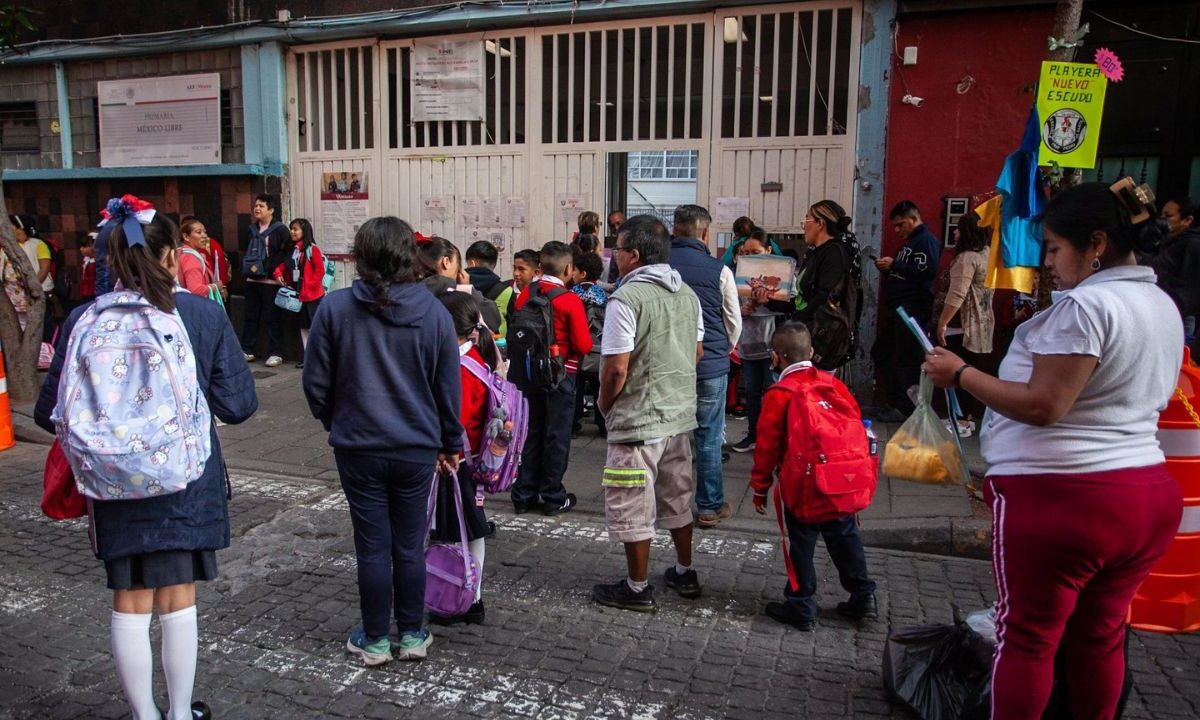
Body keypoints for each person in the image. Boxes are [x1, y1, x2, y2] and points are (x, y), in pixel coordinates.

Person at [922, 181, 1183, 720]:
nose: (1048, 263)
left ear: (1096, 244)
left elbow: (1044, 405)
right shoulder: (1159, 302)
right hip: (1143, 492)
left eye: (1054, 248)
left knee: (1029, 640)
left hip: (1066, 497)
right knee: (1100, 636)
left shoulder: (1086, 307)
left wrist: (962, 373)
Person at [34, 201, 257, 720]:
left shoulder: (82, 319)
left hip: (111, 481)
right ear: (168, 255)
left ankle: (144, 715)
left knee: (129, 600)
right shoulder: (200, 314)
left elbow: (51, 413)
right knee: (178, 597)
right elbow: (239, 405)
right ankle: (181, 712)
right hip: (185, 479)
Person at [303, 216, 462, 665]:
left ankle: (374, 639)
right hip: (416, 447)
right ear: (410, 256)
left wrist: (337, 419)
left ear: (360, 256)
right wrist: (451, 442)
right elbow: (446, 387)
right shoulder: (433, 312)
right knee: (411, 544)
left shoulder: (334, 309)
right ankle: (412, 635)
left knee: (372, 544)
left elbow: (315, 383)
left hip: (358, 446)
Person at [593, 215, 704, 612]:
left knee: (632, 500)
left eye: (617, 250)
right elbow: (696, 352)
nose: (614, 257)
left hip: (638, 419)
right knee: (678, 495)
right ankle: (684, 571)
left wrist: (606, 405)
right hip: (678, 415)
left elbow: (616, 367)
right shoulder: (687, 295)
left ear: (633, 255)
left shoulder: (627, 299)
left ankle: (637, 588)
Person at [750, 323, 876, 631]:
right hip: (841, 481)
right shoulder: (833, 385)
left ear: (775, 358)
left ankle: (801, 604)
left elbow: (766, 447)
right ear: (811, 353)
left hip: (804, 485)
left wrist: (760, 487)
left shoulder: (780, 394)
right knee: (846, 538)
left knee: (802, 544)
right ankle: (862, 597)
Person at [668, 204, 742, 527]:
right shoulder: (719, 270)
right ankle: (709, 506)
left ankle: (667, 504)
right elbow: (734, 321)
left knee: (669, 435)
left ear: (674, 229)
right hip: (710, 364)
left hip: (668, 363)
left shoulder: (659, 266)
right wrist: (723, 351)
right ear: (705, 233)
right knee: (709, 437)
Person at [429, 290, 498, 626]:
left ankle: (458, 597)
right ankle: (473, 596)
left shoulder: (456, 369)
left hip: (453, 462)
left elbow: (453, 420)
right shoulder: (480, 360)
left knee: (452, 532)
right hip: (473, 461)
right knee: (473, 530)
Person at [510, 241, 593, 515]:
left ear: (540, 265)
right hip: (561, 376)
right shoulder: (569, 300)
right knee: (556, 437)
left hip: (528, 375)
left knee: (531, 433)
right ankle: (553, 496)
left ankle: (523, 494)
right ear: (568, 268)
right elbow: (583, 345)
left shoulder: (524, 295)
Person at [872, 200, 941, 419]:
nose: (898, 230)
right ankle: (896, 403)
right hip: (898, 311)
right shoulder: (910, 244)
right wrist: (888, 269)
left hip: (913, 312)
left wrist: (895, 265)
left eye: (901, 224)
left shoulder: (926, 241)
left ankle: (908, 409)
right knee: (882, 354)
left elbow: (928, 272)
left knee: (907, 361)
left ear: (914, 219)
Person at [729, 230, 791, 455]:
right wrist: (741, 310)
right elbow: (730, 306)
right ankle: (753, 435)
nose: (750, 257)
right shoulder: (736, 276)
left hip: (773, 342)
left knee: (774, 392)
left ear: (768, 251)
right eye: (745, 253)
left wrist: (768, 303)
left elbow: (790, 306)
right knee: (752, 392)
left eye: (755, 252)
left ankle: (776, 438)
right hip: (748, 341)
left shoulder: (784, 276)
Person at [932, 212, 994, 423]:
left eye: (959, 228)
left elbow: (957, 293)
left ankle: (960, 419)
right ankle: (964, 417)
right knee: (969, 370)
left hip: (960, 324)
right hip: (979, 323)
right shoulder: (987, 253)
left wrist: (943, 322)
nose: (955, 233)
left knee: (957, 372)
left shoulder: (967, 258)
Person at [794, 200, 860, 371]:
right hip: (806, 331)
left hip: (821, 338)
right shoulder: (816, 252)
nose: (803, 226)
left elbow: (826, 294)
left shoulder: (833, 253)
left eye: (807, 220)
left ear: (820, 224)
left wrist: (799, 316)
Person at [239, 193, 291, 367]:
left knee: (272, 317)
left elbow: (287, 253)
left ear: (271, 210)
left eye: (261, 206)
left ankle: (275, 352)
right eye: (256, 206)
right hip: (252, 280)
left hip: (271, 282)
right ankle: (247, 349)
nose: (257, 209)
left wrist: (276, 269)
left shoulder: (281, 230)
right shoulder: (251, 229)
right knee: (250, 316)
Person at [415, 236, 502, 333]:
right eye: (458, 263)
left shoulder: (411, 289)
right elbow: (493, 320)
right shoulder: (452, 290)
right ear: (446, 262)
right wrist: (466, 289)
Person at [272, 218, 327, 368]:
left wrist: (309, 287)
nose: (292, 232)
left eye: (295, 229)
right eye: (291, 229)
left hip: (312, 297)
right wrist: (278, 273)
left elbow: (319, 271)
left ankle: (318, 357)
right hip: (299, 296)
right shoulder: (295, 250)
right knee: (303, 326)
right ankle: (307, 356)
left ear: (304, 231)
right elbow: (285, 265)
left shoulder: (312, 249)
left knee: (314, 326)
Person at [1148, 196, 1200, 343]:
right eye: (1162, 214)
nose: (1162, 219)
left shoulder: (1191, 246)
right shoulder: (1167, 241)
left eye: (1169, 216)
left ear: (1187, 220)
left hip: (1178, 315)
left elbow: (1189, 289)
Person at [570, 250, 608, 437]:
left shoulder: (572, 294)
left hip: (577, 350)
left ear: (583, 273)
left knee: (576, 390)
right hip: (600, 349)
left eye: (575, 270)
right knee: (599, 388)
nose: (572, 274)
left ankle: (574, 425)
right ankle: (602, 425)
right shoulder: (604, 296)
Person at [9, 214, 56, 339]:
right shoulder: (9, 247)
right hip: (16, 296)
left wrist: (32, 287)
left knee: (40, 326)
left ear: (20, 228)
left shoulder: (38, 244)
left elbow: (44, 269)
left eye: (11, 226)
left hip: (39, 291)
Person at [465, 240, 514, 336]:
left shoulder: (458, 285)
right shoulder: (507, 291)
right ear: (494, 265)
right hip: (496, 345)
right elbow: (511, 324)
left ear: (472, 263)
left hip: (466, 346)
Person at [177, 218, 226, 305]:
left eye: (205, 232)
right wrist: (216, 286)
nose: (204, 236)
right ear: (186, 237)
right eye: (199, 232)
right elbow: (196, 291)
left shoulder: (181, 253)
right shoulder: (190, 259)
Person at [509, 248, 540, 317]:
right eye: (514, 268)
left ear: (536, 272)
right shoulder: (505, 289)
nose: (516, 273)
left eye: (521, 269)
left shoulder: (542, 292)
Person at [604, 210, 626, 285]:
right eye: (612, 226)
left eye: (618, 223)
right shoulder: (614, 248)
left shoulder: (634, 245)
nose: (616, 228)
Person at [78, 233, 97, 304]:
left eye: (85, 246)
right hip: (85, 291)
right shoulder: (85, 260)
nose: (81, 249)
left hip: (94, 292)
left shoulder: (98, 262)